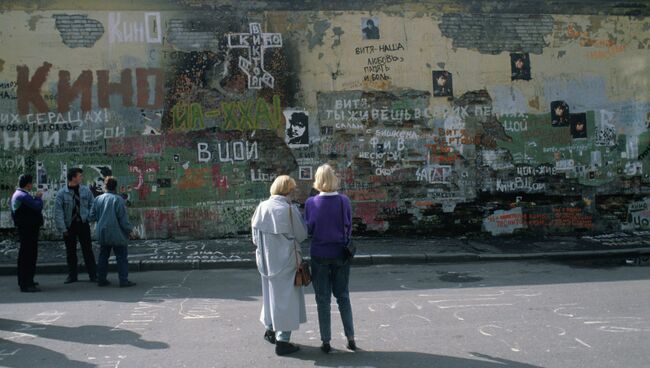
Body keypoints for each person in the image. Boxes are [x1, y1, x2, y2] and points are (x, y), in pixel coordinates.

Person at [251, 175, 308, 356]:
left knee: (270, 296)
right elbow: (301, 234)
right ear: (288, 190)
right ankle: (283, 341)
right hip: (287, 261)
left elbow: (255, 237)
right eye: (293, 189)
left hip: (267, 261)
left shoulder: (262, 207)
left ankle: (270, 329)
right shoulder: (289, 209)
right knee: (287, 300)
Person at [304, 164, 356, 354]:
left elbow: (308, 229)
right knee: (343, 296)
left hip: (319, 253)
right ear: (334, 179)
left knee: (322, 299)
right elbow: (348, 227)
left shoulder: (311, 202)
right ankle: (351, 338)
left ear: (317, 180)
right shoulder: (344, 201)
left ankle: (326, 341)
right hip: (340, 254)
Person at [89, 176, 136, 288]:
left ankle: (101, 279)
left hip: (102, 232)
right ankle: (123, 280)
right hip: (117, 233)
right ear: (115, 187)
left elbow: (91, 216)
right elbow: (123, 220)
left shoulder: (97, 199)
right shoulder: (118, 200)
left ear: (105, 186)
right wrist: (130, 230)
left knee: (103, 256)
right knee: (121, 257)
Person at [54, 167, 97, 284]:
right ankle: (72, 275)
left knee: (87, 250)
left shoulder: (85, 191)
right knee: (70, 252)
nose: (81, 178)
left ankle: (93, 275)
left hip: (82, 223)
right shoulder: (62, 194)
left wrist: (89, 217)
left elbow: (93, 204)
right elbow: (58, 212)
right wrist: (63, 228)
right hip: (69, 226)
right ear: (73, 178)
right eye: (80, 176)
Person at [11, 174, 44, 292]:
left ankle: (25, 280)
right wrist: (39, 197)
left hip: (25, 230)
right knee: (29, 256)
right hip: (28, 231)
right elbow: (37, 206)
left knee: (24, 256)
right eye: (31, 183)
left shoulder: (18, 194)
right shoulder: (23, 196)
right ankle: (27, 283)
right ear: (28, 184)